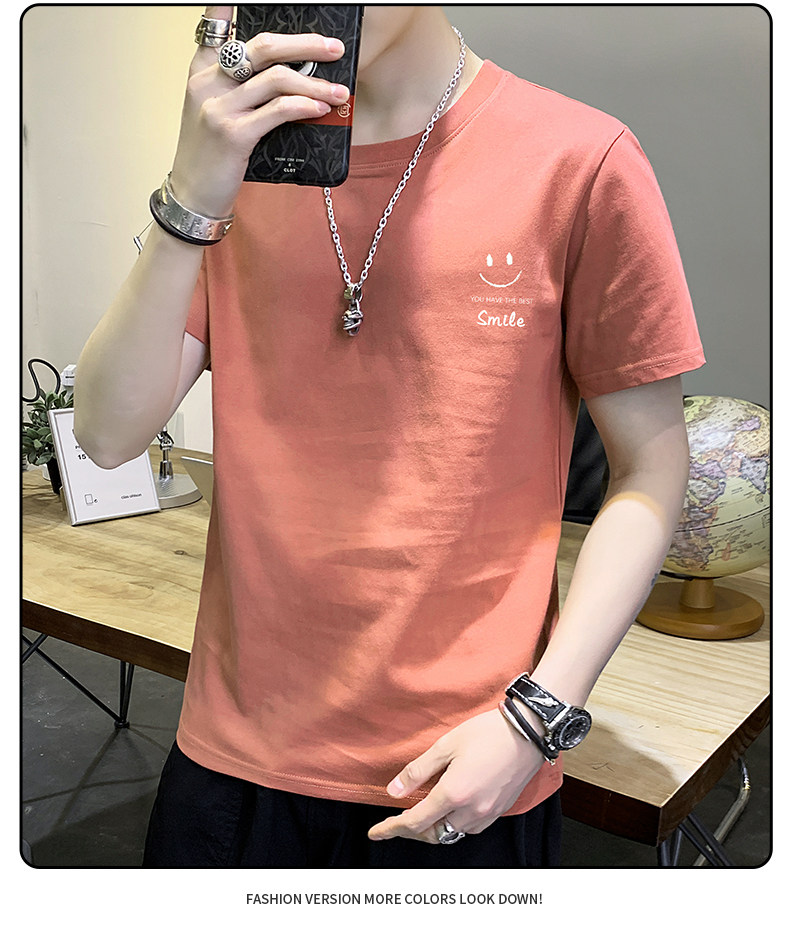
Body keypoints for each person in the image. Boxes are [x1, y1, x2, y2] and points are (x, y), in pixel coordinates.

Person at [74, 5, 704, 868]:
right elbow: (107, 435)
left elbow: (651, 469)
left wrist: (538, 717)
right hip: (233, 751)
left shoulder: (579, 161)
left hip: (467, 761)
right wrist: (192, 189)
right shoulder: (239, 163)